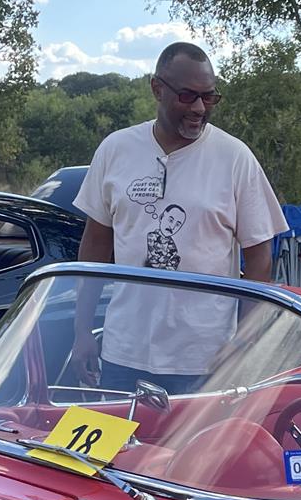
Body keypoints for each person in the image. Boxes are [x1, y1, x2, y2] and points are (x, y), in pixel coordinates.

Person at [70, 43, 285, 393]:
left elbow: (260, 255)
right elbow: (94, 246)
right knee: (120, 433)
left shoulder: (235, 157)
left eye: (209, 97)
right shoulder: (115, 149)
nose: (199, 108)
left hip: (205, 360)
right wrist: (81, 332)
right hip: (123, 353)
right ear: (157, 89)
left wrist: (243, 341)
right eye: (187, 96)